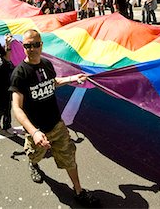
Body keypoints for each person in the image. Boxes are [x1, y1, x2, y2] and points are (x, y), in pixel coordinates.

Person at [10, 29, 100, 207]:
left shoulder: (46, 64)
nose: (32, 49)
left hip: (57, 125)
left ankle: (79, 191)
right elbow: (17, 107)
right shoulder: (20, 73)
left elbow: (52, 83)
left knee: (69, 158)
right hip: (36, 130)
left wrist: (73, 78)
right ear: (23, 47)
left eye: (36, 44)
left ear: (41, 45)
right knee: (35, 155)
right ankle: (33, 164)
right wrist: (34, 132)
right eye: (28, 45)